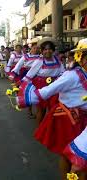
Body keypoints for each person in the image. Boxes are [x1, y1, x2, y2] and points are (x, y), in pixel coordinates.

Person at [17, 38, 87, 180]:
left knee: (81, 160)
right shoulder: (73, 75)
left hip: (84, 121)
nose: (47, 51)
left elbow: (59, 74)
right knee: (68, 155)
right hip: (70, 120)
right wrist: (25, 99)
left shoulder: (65, 68)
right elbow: (47, 91)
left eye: (50, 48)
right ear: (82, 58)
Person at [21, 37, 65, 125]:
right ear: (42, 51)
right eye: (45, 49)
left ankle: (51, 130)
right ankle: (39, 130)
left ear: (53, 50)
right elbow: (30, 75)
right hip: (41, 86)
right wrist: (21, 87)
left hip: (55, 86)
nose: (47, 51)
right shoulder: (39, 61)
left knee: (54, 109)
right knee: (41, 109)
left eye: (49, 49)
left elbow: (63, 72)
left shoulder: (57, 60)